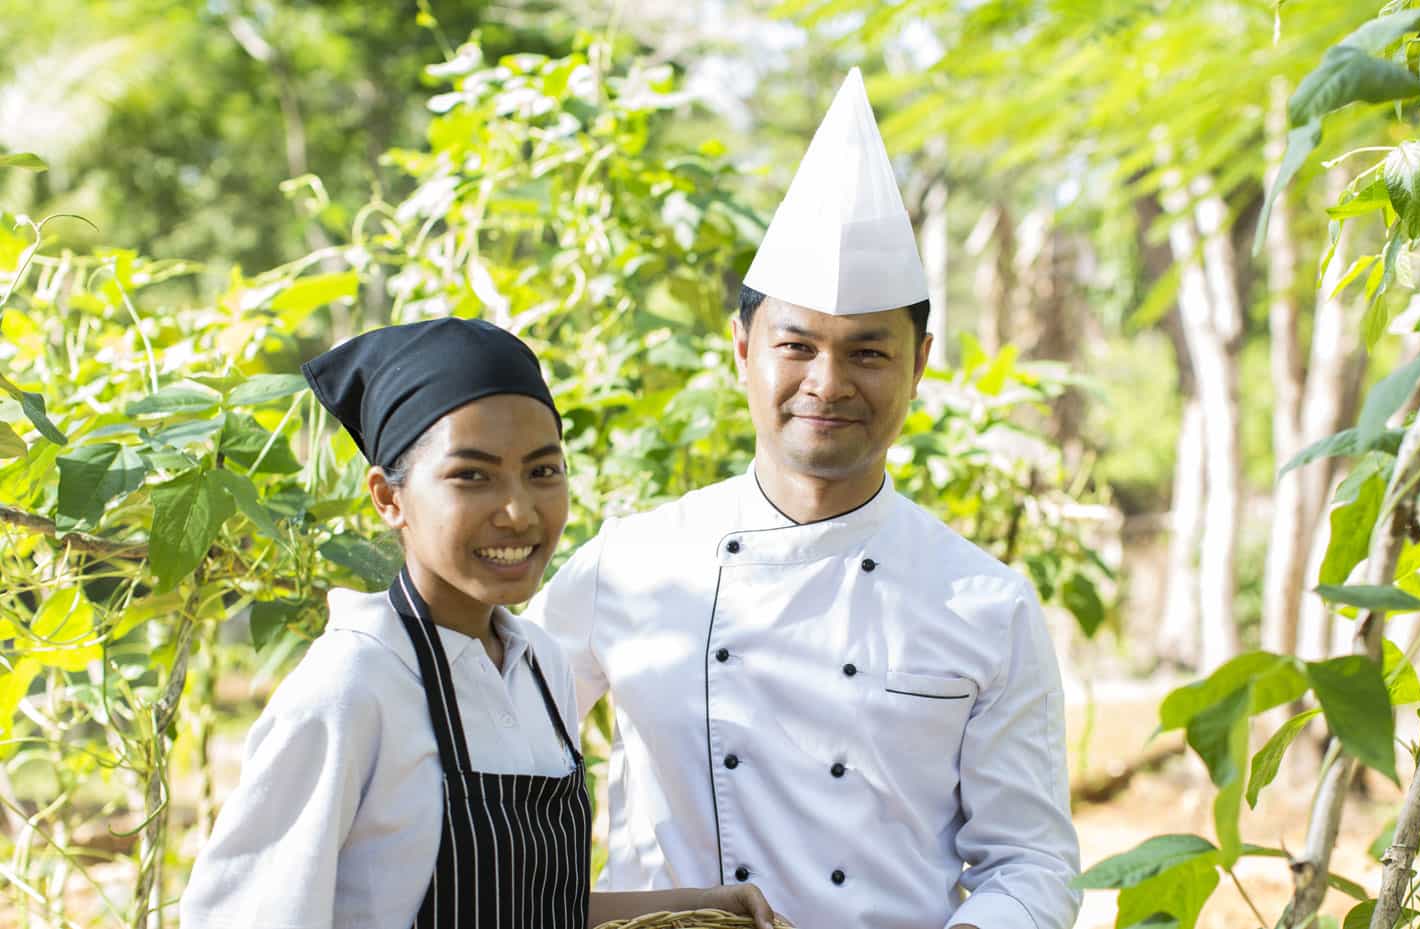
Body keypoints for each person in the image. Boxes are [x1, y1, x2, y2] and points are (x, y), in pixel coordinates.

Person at [528, 69, 1081, 929]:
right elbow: (488, 759)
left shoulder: (985, 602)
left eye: (866, 352)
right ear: (742, 349)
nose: (827, 383)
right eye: (796, 345)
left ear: (919, 360)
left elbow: (1029, 860)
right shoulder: (628, 564)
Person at [179, 318, 776, 929]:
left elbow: (533, 909)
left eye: (543, 472)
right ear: (389, 499)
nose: (519, 512)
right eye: (472, 476)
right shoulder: (353, 685)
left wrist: (703, 903)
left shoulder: (540, 665)